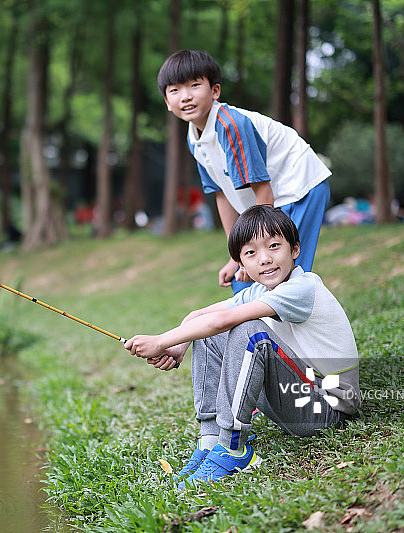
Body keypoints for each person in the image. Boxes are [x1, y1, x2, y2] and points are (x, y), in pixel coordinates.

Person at [123, 206, 360, 487]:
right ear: (240, 264)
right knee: (208, 333)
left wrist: (160, 342)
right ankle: (212, 440)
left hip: (326, 411)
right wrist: (179, 345)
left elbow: (222, 320)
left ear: (295, 249)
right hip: (296, 398)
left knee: (250, 331)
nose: (265, 259)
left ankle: (233, 449)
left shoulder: (302, 287)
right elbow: (200, 317)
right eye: (251, 253)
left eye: (274, 246)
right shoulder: (259, 290)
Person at [158, 49, 332, 294]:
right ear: (167, 102)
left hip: (298, 188)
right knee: (243, 280)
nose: (185, 97)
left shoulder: (231, 126)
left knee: (282, 275)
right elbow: (221, 195)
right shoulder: (194, 138)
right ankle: (259, 332)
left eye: (195, 85)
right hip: (270, 202)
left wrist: (256, 248)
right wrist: (237, 256)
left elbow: (263, 191)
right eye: (175, 90)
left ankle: (300, 328)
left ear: (215, 91)